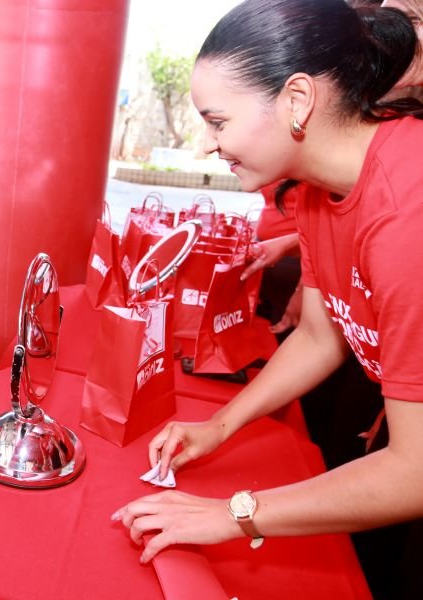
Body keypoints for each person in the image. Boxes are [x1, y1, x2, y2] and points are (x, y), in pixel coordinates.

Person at [114, 3, 423, 595]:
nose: (207, 145)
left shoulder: (406, 214)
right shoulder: (316, 191)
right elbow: (320, 334)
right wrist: (218, 426)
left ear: (297, 100)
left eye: (218, 122)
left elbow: (413, 471)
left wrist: (233, 515)